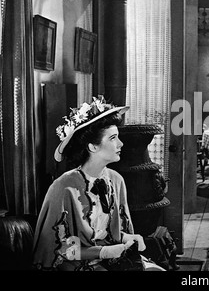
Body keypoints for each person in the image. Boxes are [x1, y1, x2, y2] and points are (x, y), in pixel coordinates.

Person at [32, 96, 164, 271]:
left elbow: (110, 234)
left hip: (111, 264)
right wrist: (103, 252)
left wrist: (126, 238)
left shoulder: (116, 180)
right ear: (92, 147)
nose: (121, 143)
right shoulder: (63, 187)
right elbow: (57, 249)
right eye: (113, 138)